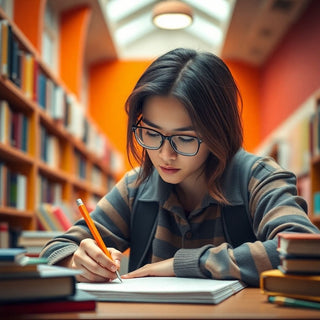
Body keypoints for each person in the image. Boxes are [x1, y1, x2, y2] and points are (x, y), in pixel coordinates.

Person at [40, 48, 319, 287]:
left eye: (185, 138)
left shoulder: (258, 178)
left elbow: (305, 249)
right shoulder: (135, 187)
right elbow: (55, 249)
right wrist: (77, 258)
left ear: (218, 133)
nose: (164, 154)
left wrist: (185, 264)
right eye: (151, 133)